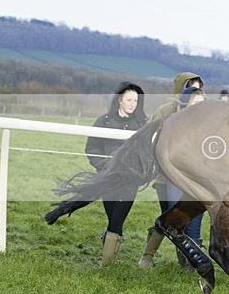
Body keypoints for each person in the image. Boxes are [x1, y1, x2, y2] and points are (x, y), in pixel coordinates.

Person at [138, 72, 204, 269]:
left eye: (197, 86)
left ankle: (189, 264)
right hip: (165, 178)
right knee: (170, 219)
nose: (193, 90)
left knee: (191, 221)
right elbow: (150, 139)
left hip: (195, 180)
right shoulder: (165, 111)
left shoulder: (206, 115)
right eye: (189, 86)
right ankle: (147, 257)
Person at [85, 81, 148, 264]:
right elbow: (92, 147)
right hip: (108, 178)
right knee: (113, 217)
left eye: (136, 101)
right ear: (119, 99)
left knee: (117, 218)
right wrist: (103, 166)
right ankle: (110, 254)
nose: (132, 104)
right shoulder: (103, 121)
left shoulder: (143, 123)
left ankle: (107, 261)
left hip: (130, 179)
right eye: (129, 100)